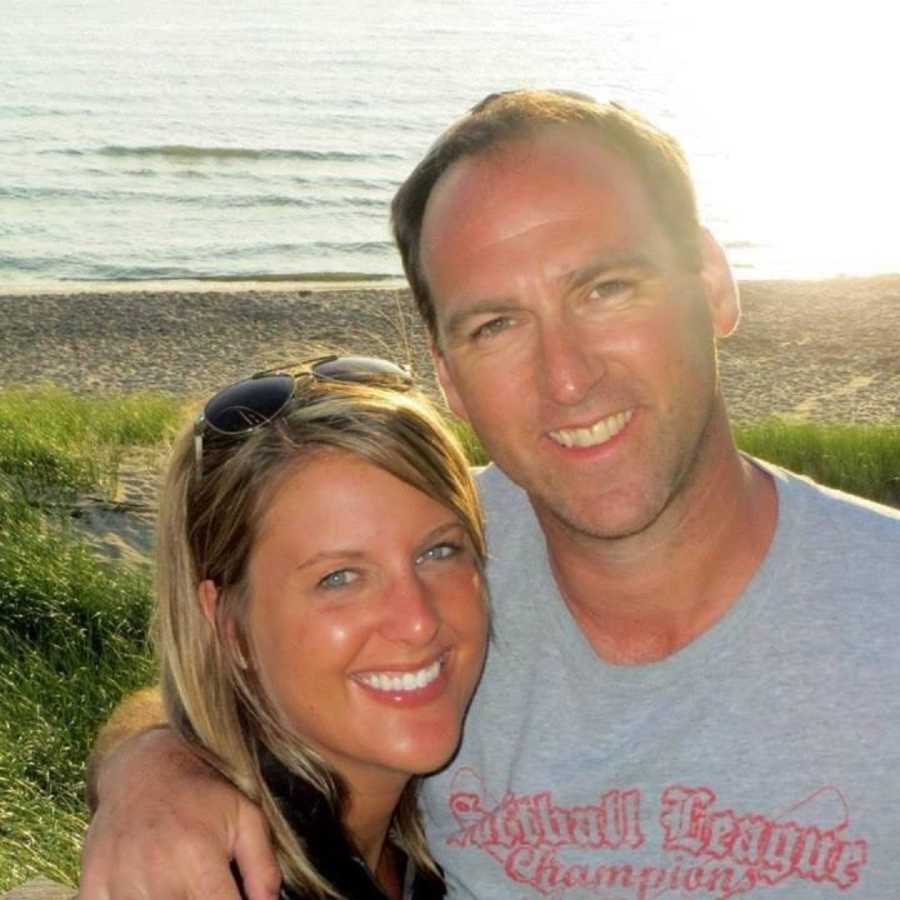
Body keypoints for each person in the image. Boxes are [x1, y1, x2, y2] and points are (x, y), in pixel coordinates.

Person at [81, 92, 900, 899]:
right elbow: (250, 678)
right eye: (495, 325)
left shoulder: (879, 605)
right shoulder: (438, 548)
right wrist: (157, 767)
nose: (569, 377)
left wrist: (148, 764)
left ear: (714, 283)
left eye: (607, 288)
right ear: (449, 378)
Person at [120, 355, 489, 899]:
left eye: (439, 550)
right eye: (340, 578)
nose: (416, 621)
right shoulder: (229, 879)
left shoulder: (402, 844)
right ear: (229, 625)